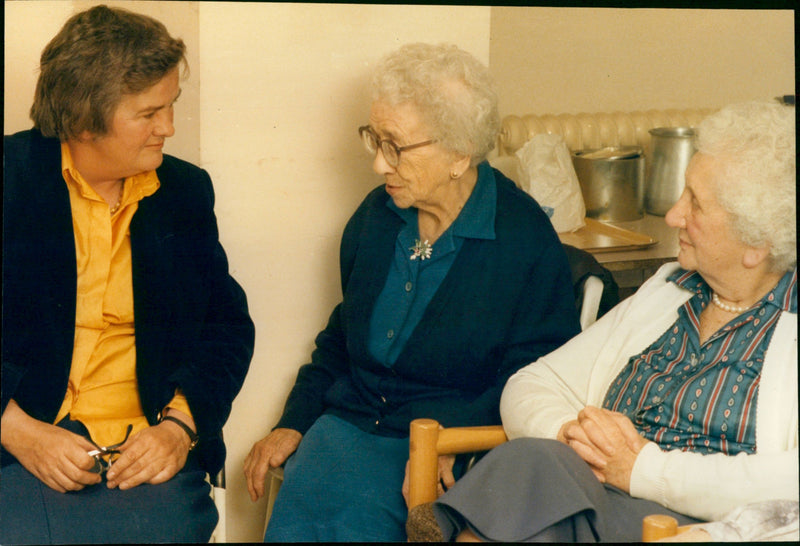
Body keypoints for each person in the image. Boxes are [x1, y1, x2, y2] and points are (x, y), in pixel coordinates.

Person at [405, 100, 797, 542]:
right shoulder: (672, 288)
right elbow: (530, 385)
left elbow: (789, 482)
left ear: (756, 244)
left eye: (696, 204)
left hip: (693, 529)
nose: (673, 215)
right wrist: (579, 441)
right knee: (540, 473)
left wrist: (641, 471)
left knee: (537, 496)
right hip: (580, 496)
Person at [243, 42, 581, 542]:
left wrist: (455, 439)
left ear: (459, 153)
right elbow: (341, 336)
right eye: (374, 140)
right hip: (346, 430)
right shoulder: (377, 218)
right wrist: (295, 419)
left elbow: (540, 378)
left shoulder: (522, 239)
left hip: (443, 447)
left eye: (395, 147)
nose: (379, 165)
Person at [1, 6, 255, 544]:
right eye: (149, 113)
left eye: (171, 106)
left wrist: (180, 429)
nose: (169, 127)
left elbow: (228, 328)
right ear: (86, 118)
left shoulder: (185, 192)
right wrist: (15, 430)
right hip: (16, 444)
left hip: (141, 450)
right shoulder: (10, 180)